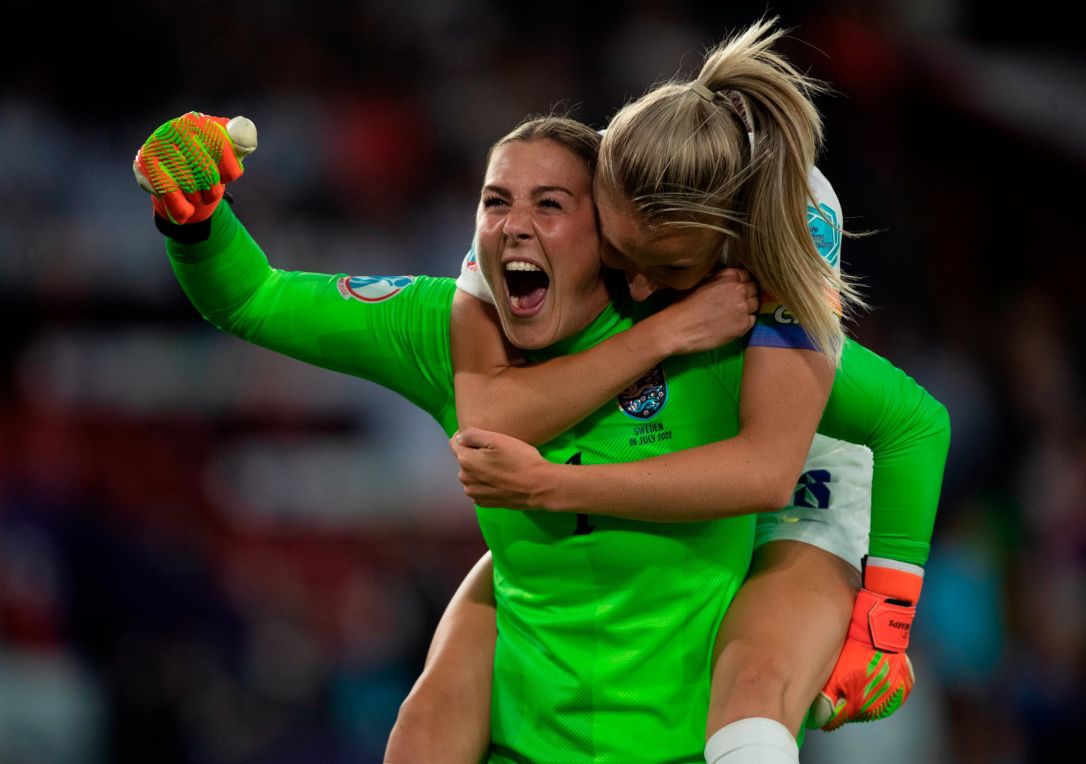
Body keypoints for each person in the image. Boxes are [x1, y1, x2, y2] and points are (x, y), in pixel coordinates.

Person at [134, 111, 947, 763]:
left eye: (550, 205)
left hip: (702, 696)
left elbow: (908, 421)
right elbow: (254, 299)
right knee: (424, 726)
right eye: (496, 201)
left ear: (614, 235)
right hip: (542, 704)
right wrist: (195, 220)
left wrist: (889, 606)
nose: (514, 227)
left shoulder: (727, 321)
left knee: (759, 690)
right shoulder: (440, 327)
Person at [395, 18, 943, 764]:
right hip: (649, 450)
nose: (641, 286)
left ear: (728, 238)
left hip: (789, 475)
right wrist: (663, 332)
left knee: (752, 695)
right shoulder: (563, 186)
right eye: (618, 258)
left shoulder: (791, 226)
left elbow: (775, 467)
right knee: (431, 711)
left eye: (669, 269)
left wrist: (885, 617)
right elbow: (489, 411)